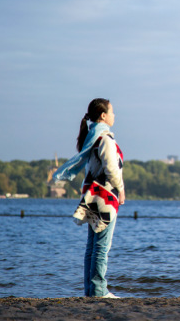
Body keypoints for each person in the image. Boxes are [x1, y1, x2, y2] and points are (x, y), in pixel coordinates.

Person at [53, 98, 125, 298]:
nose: (114, 115)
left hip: (93, 195)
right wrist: (121, 189)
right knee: (101, 246)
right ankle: (99, 291)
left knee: (92, 246)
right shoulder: (105, 139)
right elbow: (111, 168)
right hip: (105, 197)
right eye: (112, 111)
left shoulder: (93, 139)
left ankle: (91, 290)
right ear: (103, 115)